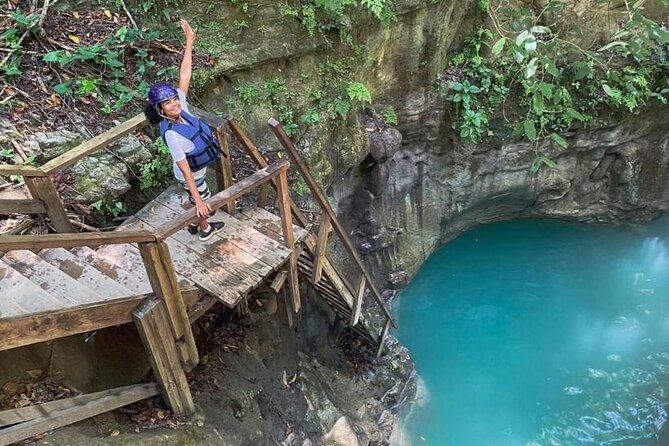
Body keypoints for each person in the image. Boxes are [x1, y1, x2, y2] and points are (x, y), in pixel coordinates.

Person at [144, 19, 225, 242]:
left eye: (173, 99)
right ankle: (204, 229)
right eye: (168, 103)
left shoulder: (182, 109)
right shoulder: (172, 135)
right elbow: (185, 170)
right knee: (204, 202)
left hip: (197, 170)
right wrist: (199, 201)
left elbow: (184, 75)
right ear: (160, 109)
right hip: (189, 174)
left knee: (200, 199)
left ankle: (193, 221)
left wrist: (189, 43)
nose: (174, 103)